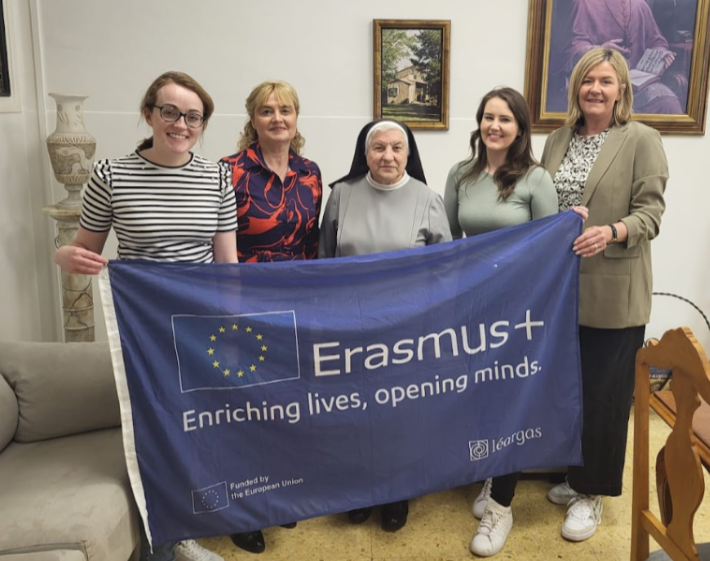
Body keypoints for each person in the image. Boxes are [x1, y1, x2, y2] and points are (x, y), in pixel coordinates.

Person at [54, 71, 235, 561]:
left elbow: (227, 265)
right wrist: (63, 256)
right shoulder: (111, 175)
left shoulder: (217, 177)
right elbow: (82, 250)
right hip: (143, 326)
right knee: (155, 432)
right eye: (170, 112)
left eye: (193, 116)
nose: (181, 124)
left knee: (198, 427)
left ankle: (191, 527)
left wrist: (231, 327)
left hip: (199, 326)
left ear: (203, 124)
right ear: (149, 113)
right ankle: (164, 543)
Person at [541, 47, 667, 543]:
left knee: (605, 396)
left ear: (621, 90)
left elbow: (650, 215)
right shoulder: (557, 139)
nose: (595, 88)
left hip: (614, 291)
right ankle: (577, 476)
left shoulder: (642, 139)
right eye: (587, 80)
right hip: (560, 289)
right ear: (575, 86)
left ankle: (593, 492)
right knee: (570, 392)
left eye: (605, 81)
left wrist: (612, 230)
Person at [318, 119, 451, 531]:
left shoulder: (428, 199)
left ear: (409, 154)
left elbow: (444, 272)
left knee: (399, 412)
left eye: (397, 148)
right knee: (354, 410)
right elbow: (324, 259)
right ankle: (359, 488)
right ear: (365, 153)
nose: (388, 156)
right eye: (378, 148)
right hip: (350, 326)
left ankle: (397, 491)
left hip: (405, 329)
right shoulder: (341, 195)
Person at [443, 87, 559, 557]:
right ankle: (492, 470)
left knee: (513, 398)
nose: (495, 126)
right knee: (482, 395)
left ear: (520, 128)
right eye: (488, 117)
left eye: (505, 119)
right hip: (473, 306)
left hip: (520, 307)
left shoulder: (536, 179)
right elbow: (448, 242)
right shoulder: (460, 174)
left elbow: (550, 248)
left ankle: (502, 507)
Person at [220, 80, 322, 553]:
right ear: (252, 119)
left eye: (285, 110)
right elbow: (215, 244)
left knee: (285, 405)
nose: (277, 118)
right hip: (243, 306)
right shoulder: (229, 171)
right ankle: (244, 509)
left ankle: (278, 493)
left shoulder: (310, 172)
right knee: (244, 409)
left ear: (296, 117)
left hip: (296, 306)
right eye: (266, 110)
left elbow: (312, 243)